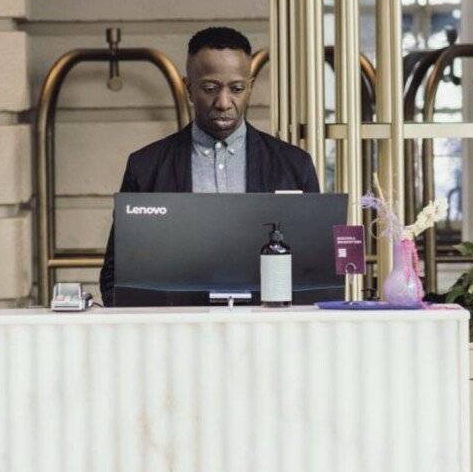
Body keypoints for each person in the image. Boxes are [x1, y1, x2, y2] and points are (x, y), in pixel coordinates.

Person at [99, 26, 321, 304]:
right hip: (175, 335)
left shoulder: (293, 164)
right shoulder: (145, 166)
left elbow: (317, 271)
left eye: (237, 89)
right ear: (188, 89)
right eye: (210, 88)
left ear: (250, 87)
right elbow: (115, 276)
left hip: (268, 334)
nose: (224, 102)